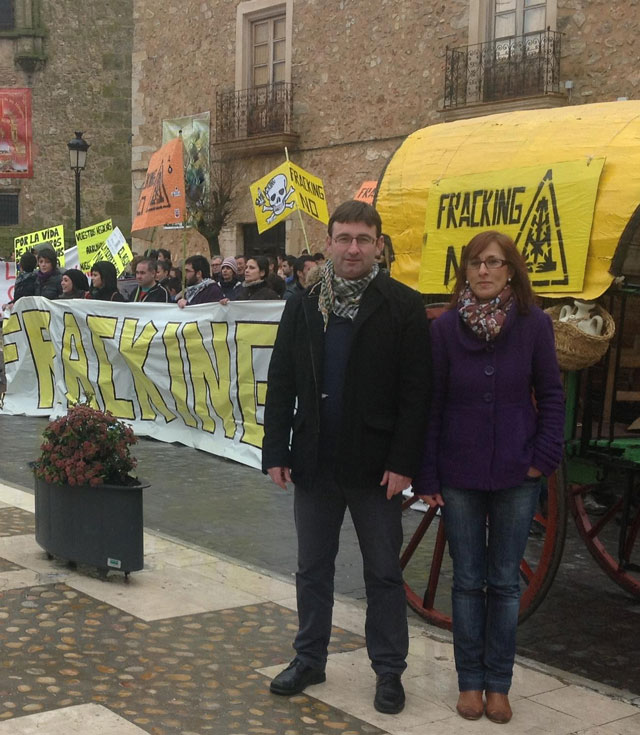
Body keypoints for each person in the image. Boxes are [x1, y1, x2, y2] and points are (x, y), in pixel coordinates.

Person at [263, 200, 430, 714]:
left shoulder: (402, 305)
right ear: (329, 243)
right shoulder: (305, 301)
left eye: (363, 239)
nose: (353, 248)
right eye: (344, 238)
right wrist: (276, 450)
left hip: (375, 467)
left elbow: (416, 393)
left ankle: (389, 671)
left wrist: (404, 462)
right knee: (312, 568)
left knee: (382, 572)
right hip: (314, 459)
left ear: (378, 244)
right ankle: (309, 658)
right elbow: (282, 379)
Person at [412, 230, 565, 724]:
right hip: (459, 473)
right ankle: (469, 683)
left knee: (503, 582)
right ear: (466, 271)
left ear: (510, 270)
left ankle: (499, 683)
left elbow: (553, 395)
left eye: (494, 262)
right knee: (467, 581)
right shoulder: (445, 330)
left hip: (517, 474)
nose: (484, 270)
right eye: (476, 262)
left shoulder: (534, 325)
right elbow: (430, 405)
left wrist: (542, 459)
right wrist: (428, 472)